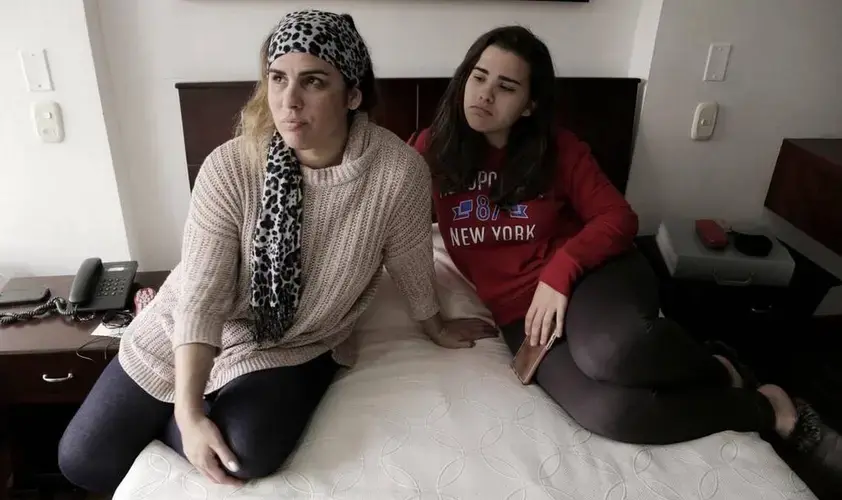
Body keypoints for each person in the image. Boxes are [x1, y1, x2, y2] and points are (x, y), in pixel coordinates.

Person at [57, 10, 493, 493]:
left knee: (244, 455)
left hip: (295, 341)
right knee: (81, 459)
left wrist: (434, 323)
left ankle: (173, 429)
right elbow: (203, 297)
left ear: (352, 95)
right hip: (198, 323)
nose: (289, 101)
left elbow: (411, 257)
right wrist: (189, 412)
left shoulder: (397, 172)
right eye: (278, 79)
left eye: (313, 82)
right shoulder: (231, 166)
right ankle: (181, 415)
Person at [413, 25, 841, 481]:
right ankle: (760, 403)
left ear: (530, 104)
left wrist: (561, 271)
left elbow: (618, 218)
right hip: (522, 315)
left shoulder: (558, 150)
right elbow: (392, 223)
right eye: (478, 77)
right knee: (611, 414)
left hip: (590, 276)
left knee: (614, 355)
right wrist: (432, 320)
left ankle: (719, 367)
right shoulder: (431, 152)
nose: (484, 94)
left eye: (506, 86)